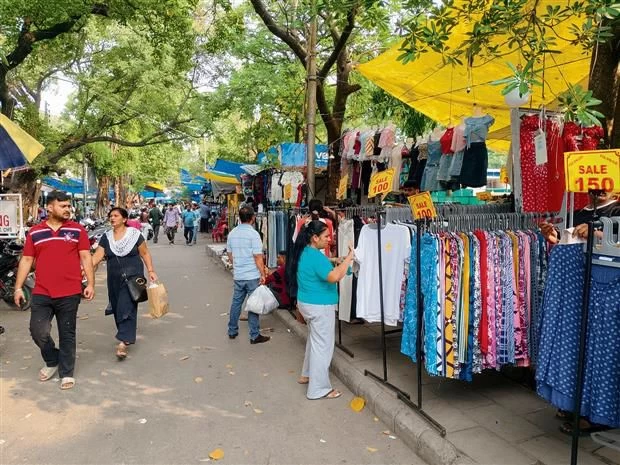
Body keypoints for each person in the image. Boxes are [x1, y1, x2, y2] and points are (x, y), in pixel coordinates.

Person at [14, 190, 95, 390]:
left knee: (67, 333)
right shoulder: (35, 232)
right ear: (49, 207)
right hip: (42, 291)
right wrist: (18, 287)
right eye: (63, 206)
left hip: (70, 291)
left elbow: (86, 257)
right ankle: (52, 359)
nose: (68, 209)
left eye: (68, 206)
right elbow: (27, 260)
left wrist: (90, 284)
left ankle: (66, 372)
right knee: (38, 331)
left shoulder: (77, 230)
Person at [288, 220, 355, 399]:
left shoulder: (305, 251)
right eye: (326, 236)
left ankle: (307, 374)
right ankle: (318, 389)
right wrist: (350, 257)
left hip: (308, 303)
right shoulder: (315, 256)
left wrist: (335, 260)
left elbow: (322, 266)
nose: (329, 239)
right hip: (319, 306)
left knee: (315, 342)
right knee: (322, 347)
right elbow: (333, 277)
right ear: (315, 238)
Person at [92, 208, 158, 360]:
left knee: (126, 306)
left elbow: (145, 253)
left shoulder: (134, 235)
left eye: (116, 215)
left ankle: (124, 341)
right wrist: (84, 268)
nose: (112, 218)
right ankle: (124, 332)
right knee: (116, 307)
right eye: (111, 216)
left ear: (124, 219)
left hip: (133, 277)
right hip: (114, 278)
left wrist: (151, 270)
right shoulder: (106, 237)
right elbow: (97, 256)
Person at [226, 205, 270, 344]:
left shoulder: (232, 233)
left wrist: (237, 265)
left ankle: (232, 330)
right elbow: (258, 257)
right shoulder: (254, 234)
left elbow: (230, 254)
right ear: (253, 218)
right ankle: (254, 335)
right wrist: (262, 274)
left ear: (239, 218)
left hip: (239, 275)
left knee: (236, 303)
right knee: (253, 304)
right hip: (252, 275)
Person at [541, 192, 620, 244]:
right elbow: (566, 245)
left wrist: (594, 234)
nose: (600, 186)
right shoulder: (573, 215)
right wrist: (555, 239)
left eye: (607, 182)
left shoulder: (617, 211)